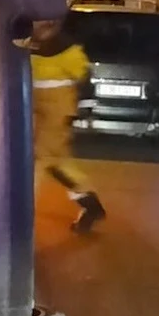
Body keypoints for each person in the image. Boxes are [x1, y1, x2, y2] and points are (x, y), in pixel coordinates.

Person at [29, 17, 105, 234]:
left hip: (58, 113)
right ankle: (89, 202)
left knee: (39, 159)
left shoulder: (67, 49)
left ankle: (21, 218)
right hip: (36, 110)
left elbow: (86, 80)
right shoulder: (31, 45)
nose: (37, 26)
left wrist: (84, 110)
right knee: (56, 161)